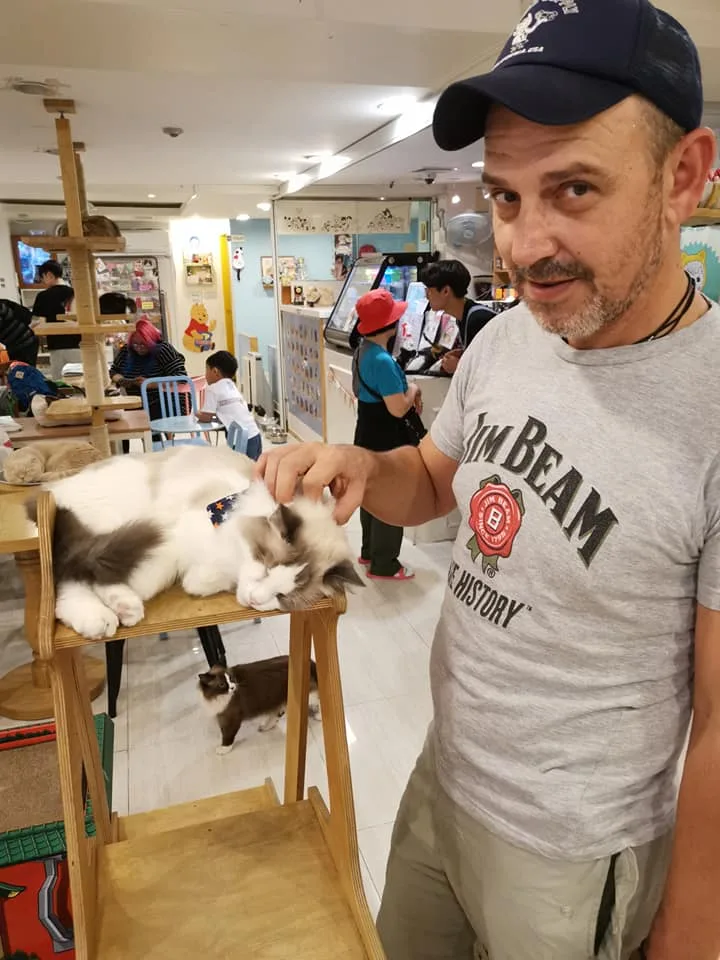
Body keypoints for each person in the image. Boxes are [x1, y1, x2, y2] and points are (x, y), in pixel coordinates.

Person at [258, 2, 720, 958]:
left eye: (575, 188)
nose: (523, 245)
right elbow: (433, 482)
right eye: (506, 196)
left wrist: (694, 927)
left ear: (684, 177)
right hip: (443, 779)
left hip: (571, 851)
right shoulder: (508, 340)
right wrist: (363, 465)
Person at [351, 288, 425, 581]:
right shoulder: (382, 360)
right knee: (391, 498)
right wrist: (413, 389)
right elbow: (397, 409)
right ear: (390, 325)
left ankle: (369, 551)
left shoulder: (362, 351)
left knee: (370, 494)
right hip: (387, 440)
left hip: (366, 433)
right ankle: (385, 564)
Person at [421, 260, 497, 374]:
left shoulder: (478, 319)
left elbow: (491, 368)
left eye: (429, 291)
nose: (426, 296)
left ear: (446, 291)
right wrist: (463, 355)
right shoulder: (464, 316)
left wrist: (459, 367)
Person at [109, 318, 187, 422]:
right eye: (135, 344)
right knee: (117, 417)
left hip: (167, 403)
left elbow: (181, 377)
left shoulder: (163, 349)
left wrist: (150, 384)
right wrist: (121, 380)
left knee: (134, 419)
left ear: (151, 341)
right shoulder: (126, 351)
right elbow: (114, 371)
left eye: (143, 344)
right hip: (140, 403)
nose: (139, 348)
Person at [197, 349, 262, 460]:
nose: (205, 375)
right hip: (255, 435)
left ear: (215, 371)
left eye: (206, 370)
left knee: (239, 468)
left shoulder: (213, 388)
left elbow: (206, 417)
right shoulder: (231, 385)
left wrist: (195, 413)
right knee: (253, 468)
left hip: (240, 439)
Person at [31, 260, 76, 380]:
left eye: (42, 277)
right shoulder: (75, 293)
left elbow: (37, 323)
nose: (43, 281)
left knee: (60, 383)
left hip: (56, 345)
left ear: (49, 275)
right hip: (79, 344)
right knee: (82, 380)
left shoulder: (43, 296)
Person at [0, 299, 38, 367]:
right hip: (17, 342)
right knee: (17, 370)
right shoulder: (3, 304)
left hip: (24, 342)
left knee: (23, 370)